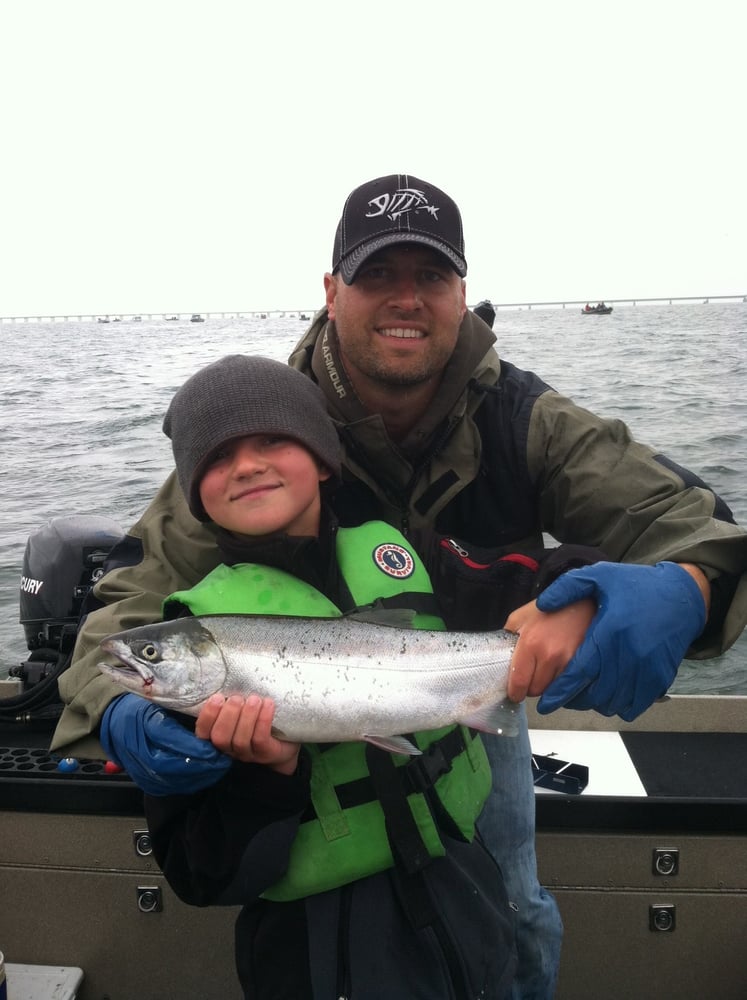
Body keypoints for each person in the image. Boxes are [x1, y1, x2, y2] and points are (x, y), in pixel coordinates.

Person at [51, 173, 747, 999]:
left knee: (515, 903)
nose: (405, 300)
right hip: (310, 727)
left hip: (475, 696)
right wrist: (116, 703)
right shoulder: (260, 428)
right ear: (331, 289)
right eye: (379, 275)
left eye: (431, 276)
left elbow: (689, 518)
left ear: (461, 292)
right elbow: (132, 597)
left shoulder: (525, 416)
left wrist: (692, 586)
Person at [118, 353, 581, 998]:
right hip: (320, 955)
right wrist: (267, 779)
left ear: (323, 457)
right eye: (218, 457)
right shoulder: (188, 637)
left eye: (272, 439)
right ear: (194, 492)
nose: (247, 465)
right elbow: (201, 876)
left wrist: (583, 587)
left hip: (466, 898)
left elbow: (519, 578)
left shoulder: (401, 553)